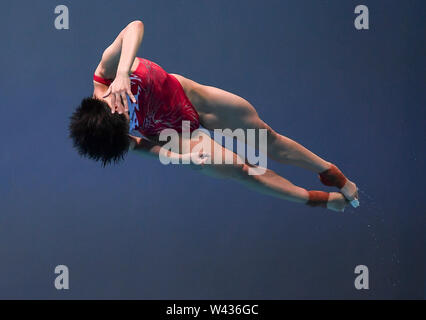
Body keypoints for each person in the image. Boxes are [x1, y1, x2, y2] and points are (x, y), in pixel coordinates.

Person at [69, 20, 359, 212]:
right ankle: (320, 201)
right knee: (244, 170)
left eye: (119, 110)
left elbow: (134, 27)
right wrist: (183, 159)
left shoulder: (106, 72)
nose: (125, 112)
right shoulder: (112, 133)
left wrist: (122, 72)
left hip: (191, 97)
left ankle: (328, 171)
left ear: (103, 104)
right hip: (175, 136)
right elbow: (143, 147)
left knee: (265, 138)